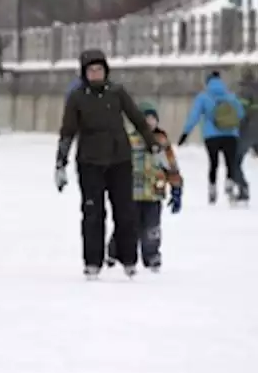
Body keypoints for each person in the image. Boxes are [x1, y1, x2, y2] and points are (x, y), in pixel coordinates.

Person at [55, 49, 160, 279]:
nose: (95, 74)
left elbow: (137, 119)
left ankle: (128, 258)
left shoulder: (117, 92)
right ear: (84, 73)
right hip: (89, 162)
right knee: (93, 213)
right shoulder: (77, 97)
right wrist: (60, 163)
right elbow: (68, 131)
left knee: (125, 212)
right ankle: (93, 261)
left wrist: (152, 143)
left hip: (119, 159)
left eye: (99, 69)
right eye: (91, 70)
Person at [107, 103, 181, 272]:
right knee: (126, 225)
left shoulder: (161, 141)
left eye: (152, 119)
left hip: (154, 192)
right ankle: (114, 252)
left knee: (152, 227)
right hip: (131, 191)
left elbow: (171, 166)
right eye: (145, 118)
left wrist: (176, 188)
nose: (149, 122)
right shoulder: (129, 139)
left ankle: (152, 255)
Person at [177, 71, 248, 205]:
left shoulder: (203, 97)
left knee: (213, 163)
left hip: (211, 136)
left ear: (207, 82)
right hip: (230, 135)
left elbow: (194, 116)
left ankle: (212, 189)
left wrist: (185, 134)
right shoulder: (231, 96)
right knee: (230, 163)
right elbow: (240, 114)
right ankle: (229, 184)